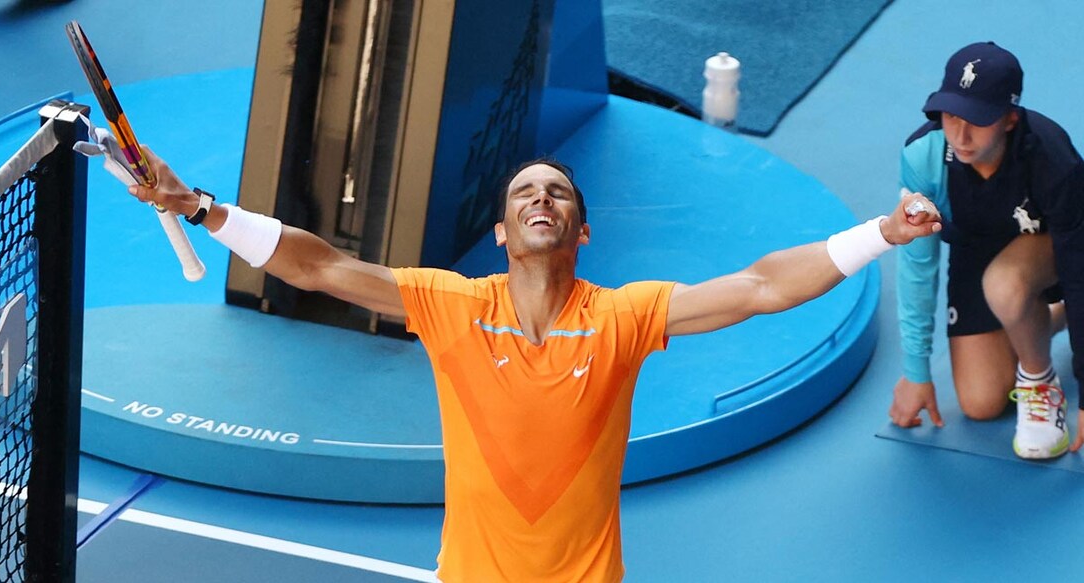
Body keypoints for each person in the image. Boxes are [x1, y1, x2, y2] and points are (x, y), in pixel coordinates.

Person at [128, 152, 940, 582]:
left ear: (580, 232)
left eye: (556, 192)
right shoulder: (450, 304)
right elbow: (320, 267)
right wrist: (201, 206)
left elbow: (761, 286)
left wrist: (880, 232)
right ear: (501, 232)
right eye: (524, 192)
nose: (540, 197)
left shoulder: (622, 319)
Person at [890, 41, 1084, 459]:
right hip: (978, 253)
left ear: (1010, 119)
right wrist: (916, 372)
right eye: (951, 115)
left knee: (1005, 285)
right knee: (981, 403)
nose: (960, 134)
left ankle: (1039, 379)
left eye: (977, 120)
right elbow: (917, 265)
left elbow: (1077, 265)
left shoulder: (1052, 158)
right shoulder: (923, 158)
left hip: (1051, 249)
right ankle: (1049, 318)